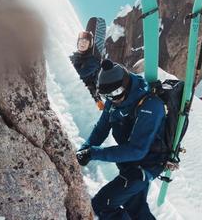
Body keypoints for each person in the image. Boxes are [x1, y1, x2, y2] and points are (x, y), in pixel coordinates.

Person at [76, 60, 166, 219]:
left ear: (126, 84)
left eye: (116, 92)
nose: (112, 98)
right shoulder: (114, 99)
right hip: (128, 163)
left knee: (103, 204)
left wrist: (95, 153)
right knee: (136, 208)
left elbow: (137, 150)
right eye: (107, 95)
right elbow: (101, 128)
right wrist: (86, 148)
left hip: (144, 166)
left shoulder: (150, 105)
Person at [69, 31, 103, 109]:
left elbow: (80, 75)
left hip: (91, 97)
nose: (83, 43)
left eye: (86, 41)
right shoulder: (74, 57)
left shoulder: (93, 60)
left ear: (89, 45)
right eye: (81, 40)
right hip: (78, 93)